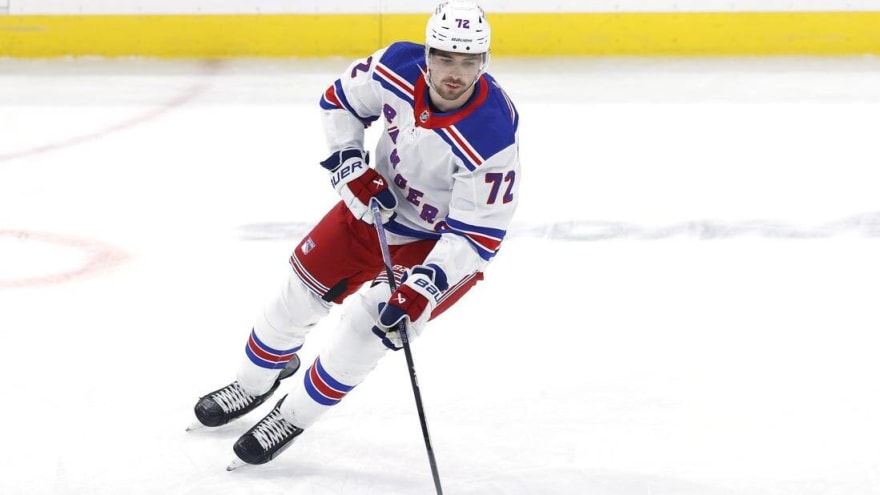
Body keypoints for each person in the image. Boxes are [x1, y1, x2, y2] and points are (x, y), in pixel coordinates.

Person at [191, 0, 521, 468]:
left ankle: (293, 416)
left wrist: (423, 286)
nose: (455, 72)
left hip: (440, 244)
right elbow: (339, 101)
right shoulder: (396, 65)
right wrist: (349, 162)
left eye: (469, 61)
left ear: (483, 62)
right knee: (296, 297)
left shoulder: (490, 133)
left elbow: (477, 235)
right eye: (445, 57)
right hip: (375, 208)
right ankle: (253, 382)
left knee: (367, 328)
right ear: (428, 53)